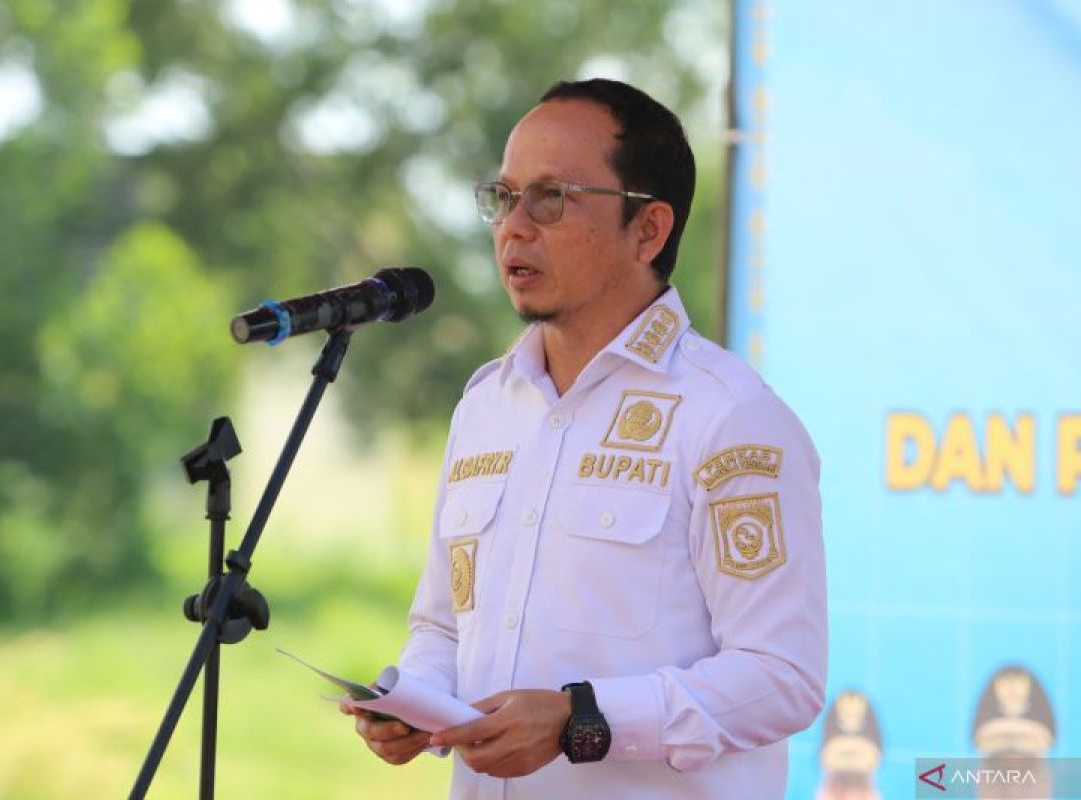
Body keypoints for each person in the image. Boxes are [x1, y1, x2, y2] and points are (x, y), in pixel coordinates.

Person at [342, 78, 827, 799]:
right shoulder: (485, 406)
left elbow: (782, 675)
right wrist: (414, 698)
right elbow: (444, 627)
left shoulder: (729, 415)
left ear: (648, 230)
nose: (514, 227)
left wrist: (581, 720)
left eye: (551, 198)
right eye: (503, 198)